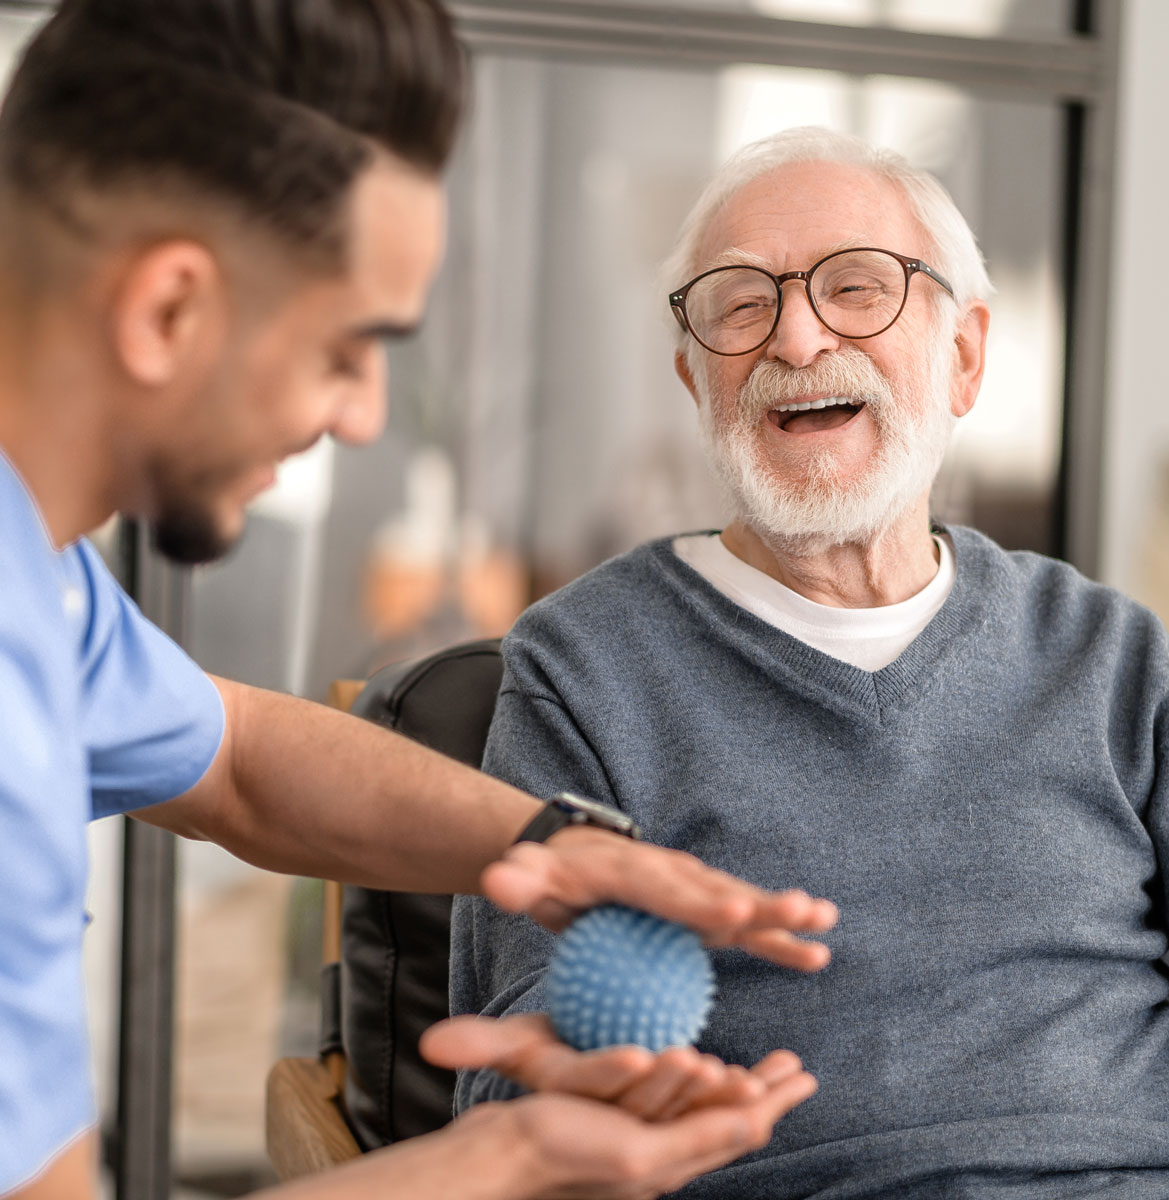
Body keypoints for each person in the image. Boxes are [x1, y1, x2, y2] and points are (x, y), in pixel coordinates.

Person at [0, 5, 845, 1198]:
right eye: (348, 348)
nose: (360, 416)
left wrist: (549, 850)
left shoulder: (35, 577)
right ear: (168, 310)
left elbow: (236, 757)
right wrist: (511, 1157)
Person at [451, 125, 1169, 1198]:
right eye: (742, 304)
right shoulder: (586, 670)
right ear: (692, 377)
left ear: (966, 356)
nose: (796, 339)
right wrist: (588, 1079)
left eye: (857, 288)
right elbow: (520, 1079)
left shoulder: (1116, 660)